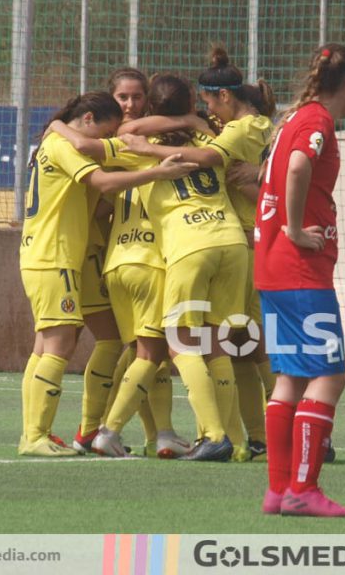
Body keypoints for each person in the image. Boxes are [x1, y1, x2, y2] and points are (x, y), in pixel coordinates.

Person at [119, 47, 276, 462]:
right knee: (224, 345)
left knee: (179, 345)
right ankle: (242, 439)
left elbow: (115, 146)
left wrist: (144, 144)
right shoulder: (213, 133)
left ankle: (216, 435)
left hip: (196, 246)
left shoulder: (163, 144)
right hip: (233, 241)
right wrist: (192, 120)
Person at [17, 91, 195, 457]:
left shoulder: (60, 140)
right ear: (87, 120)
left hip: (67, 254)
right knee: (58, 345)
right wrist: (159, 172)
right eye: (106, 131)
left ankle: (55, 432)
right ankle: (35, 436)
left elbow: (96, 198)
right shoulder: (63, 145)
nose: (105, 141)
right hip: (55, 255)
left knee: (82, 341)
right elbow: (102, 183)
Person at [254, 44, 345, 517]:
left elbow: (271, 174)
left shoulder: (292, 118)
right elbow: (298, 167)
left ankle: (279, 490)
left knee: (291, 378)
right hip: (300, 270)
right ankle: (303, 487)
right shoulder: (318, 121)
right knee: (330, 375)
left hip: (272, 267)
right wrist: (296, 230)